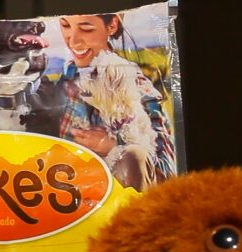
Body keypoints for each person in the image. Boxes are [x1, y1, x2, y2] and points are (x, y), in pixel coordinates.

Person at [56, 13, 175, 189]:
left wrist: (113, 147)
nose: (73, 41)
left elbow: (167, 170)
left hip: (117, 195)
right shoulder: (65, 79)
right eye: (65, 26)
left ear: (112, 25)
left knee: (134, 155)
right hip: (66, 188)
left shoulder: (136, 85)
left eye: (86, 28)